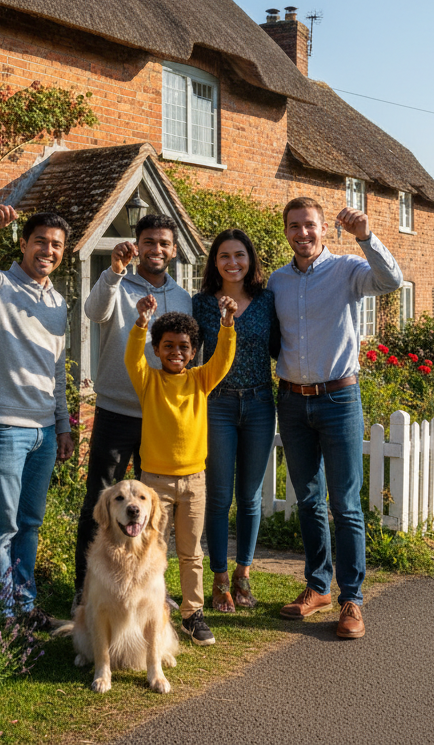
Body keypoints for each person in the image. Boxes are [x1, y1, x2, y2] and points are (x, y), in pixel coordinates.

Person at [267, 197, 402, 639]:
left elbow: (391, 280)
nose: (302, 233)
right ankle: (318, 585)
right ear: (285, 231)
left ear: (324, 229)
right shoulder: (277, 281)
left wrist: (366, 236)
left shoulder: (347, 270)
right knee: (307, 500)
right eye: (294, 226)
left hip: (339, 399)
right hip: (291, 399)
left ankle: (352, 600)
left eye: (309, 225)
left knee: (344, 505)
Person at [0, 204, 75, 628]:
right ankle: (1, 617)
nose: (48, 250)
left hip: (42, 430)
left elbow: (57, 370)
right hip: (2, 426)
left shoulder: (58, 302)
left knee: (29, 523)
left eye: (56, 245)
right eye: (40, 240)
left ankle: (25, 607)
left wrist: (62, 425)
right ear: (23, 243)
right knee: (1, 525)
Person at [73, 214, 192, 605]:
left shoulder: (181, 296)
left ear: (173, 251)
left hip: (160, 416)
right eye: (149, 242)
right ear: (137, 245)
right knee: (101, 499)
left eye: (164, 243)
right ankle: (85, 590)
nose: (156, 249)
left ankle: (150, 588)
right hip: (115, 409)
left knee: (154, 507)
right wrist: (113, 272)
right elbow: (93, 312)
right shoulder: (117, 281)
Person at [126, 293, 237, 646]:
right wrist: (141, 323)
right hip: (153, 484)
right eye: (168, 346)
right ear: (156, 349)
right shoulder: (148, 381)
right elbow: (132, 357)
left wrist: (227, 324)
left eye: (184, 347)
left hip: (194, 481)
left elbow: (222, 360)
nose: (176, 352)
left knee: (191, 552)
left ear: (193, 352)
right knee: (150, 550)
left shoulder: (200, 380)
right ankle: (148, 610)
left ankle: (192, 614)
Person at [192, 228, 280, 612]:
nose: (233, 262)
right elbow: (187, 356)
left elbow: (281, 348)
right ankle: (219, 579)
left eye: (239, 255)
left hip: (261, 403)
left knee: (250, 497)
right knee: (219, 496)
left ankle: (244, 574)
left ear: (251, 259)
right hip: (218, 406)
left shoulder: (267, 301)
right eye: (224, 255)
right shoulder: (201, 305)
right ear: (215, 261)